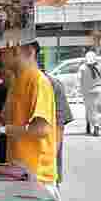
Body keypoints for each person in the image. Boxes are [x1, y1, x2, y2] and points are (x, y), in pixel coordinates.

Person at [0, 42, 58, 197]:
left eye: (2, 51)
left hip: (37, 177)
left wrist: (2, 130)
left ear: (18, 49)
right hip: (17, 172)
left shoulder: (38, 81)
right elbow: (3, 119)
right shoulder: (15, 81)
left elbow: (41, 129)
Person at [28, 42, 73, 188]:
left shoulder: (50, 84)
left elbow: (59, 127)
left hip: (43, 172)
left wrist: (48, 163)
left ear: (30, 53)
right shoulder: (15, 84)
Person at [78, 51, 101, 136]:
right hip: (89, 91)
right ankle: (95, 126)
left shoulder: (99, 66)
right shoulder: (83, 68)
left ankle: (92, 123)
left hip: (97, 90)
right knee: (93, 110)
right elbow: (78, 78)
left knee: (97, 108)